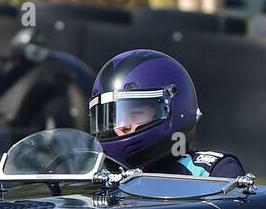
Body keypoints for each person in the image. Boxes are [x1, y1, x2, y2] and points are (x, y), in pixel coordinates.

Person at [88, 49, 244, 178]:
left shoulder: (210, 173)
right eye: (114, 118)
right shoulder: (98, 177)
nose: (120, 127)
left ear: (175, 110)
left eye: (134, 114)